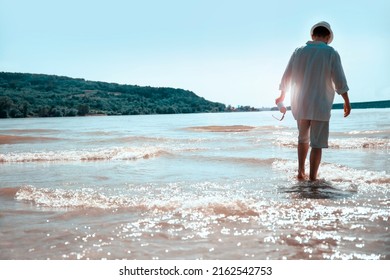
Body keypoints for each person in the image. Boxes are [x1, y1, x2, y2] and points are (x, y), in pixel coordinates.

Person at [276, 21, 351, 181]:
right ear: (328, 37)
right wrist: (346, 100)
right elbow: (339, 79)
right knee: (316, 144)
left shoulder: (298, 51)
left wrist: (282, 96)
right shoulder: (331, 53)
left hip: (300, 103)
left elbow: (287, 75)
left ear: (312, 35)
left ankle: (300, 172)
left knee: (302, 139)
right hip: (320, 105)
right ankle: (312, 178)